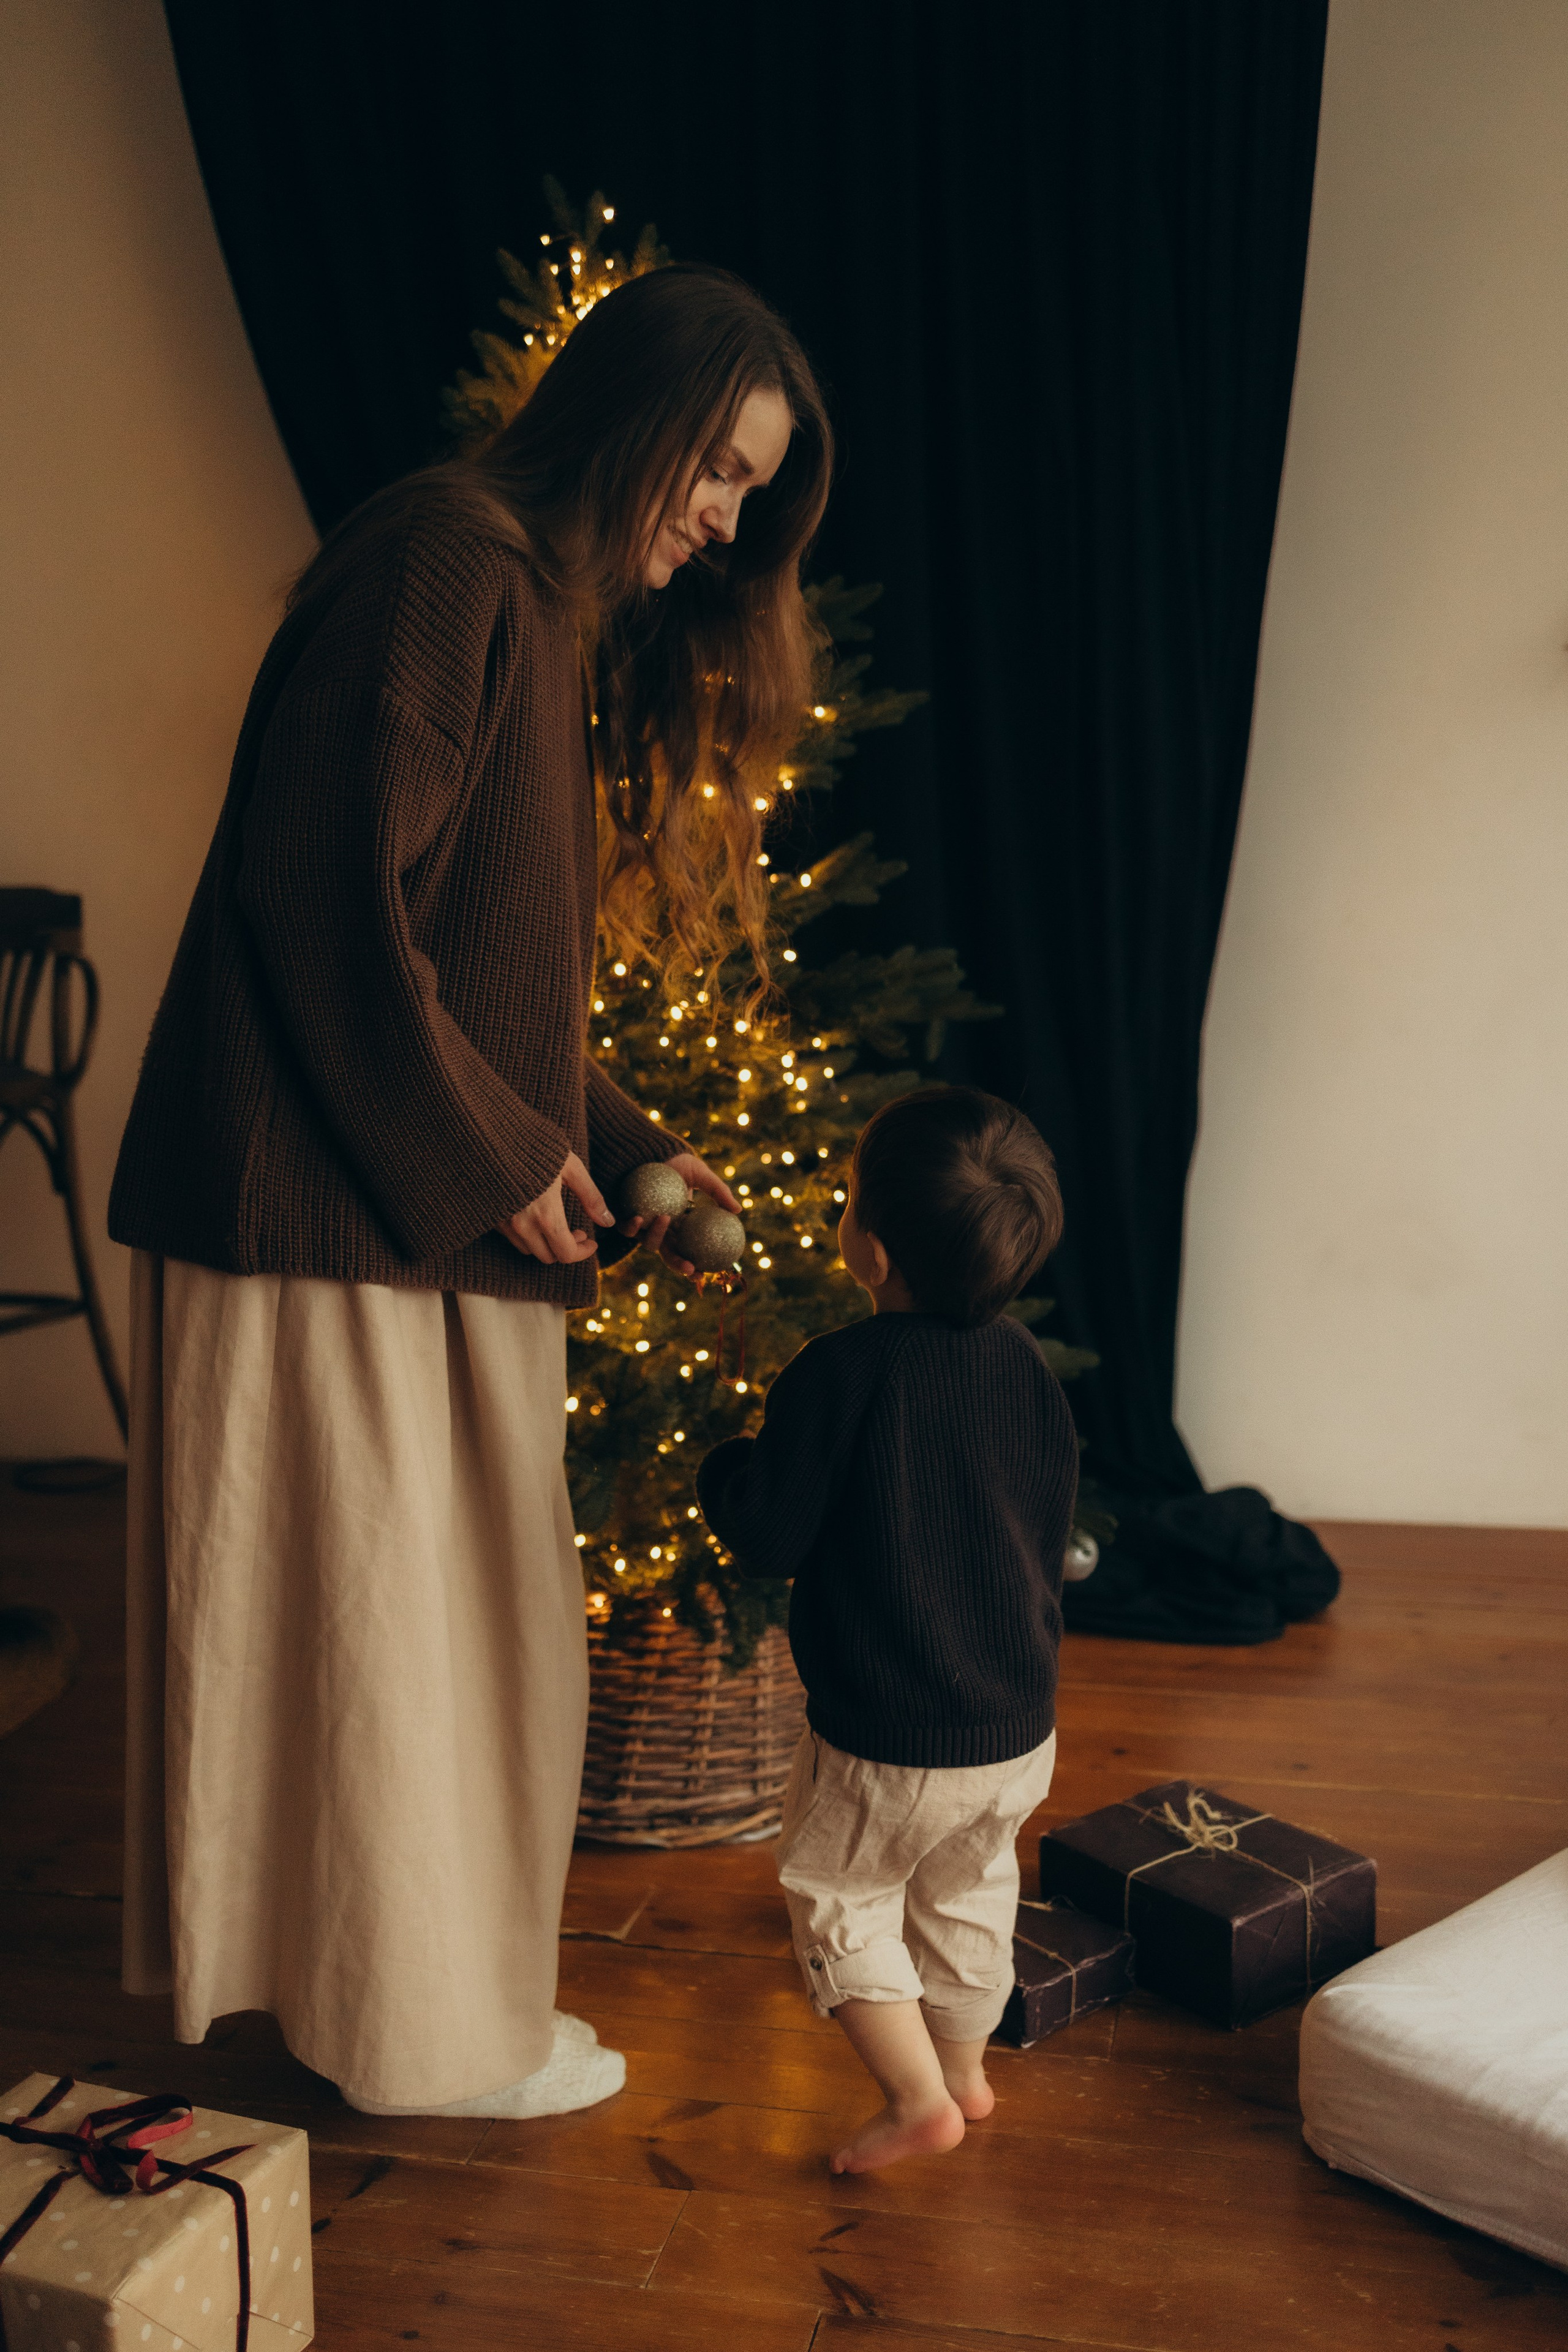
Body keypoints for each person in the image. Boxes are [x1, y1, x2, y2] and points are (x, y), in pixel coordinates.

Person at [109, 266, 832, 2119]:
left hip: (369, 1206)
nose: (727, 518)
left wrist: (623, 1141)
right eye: (722, 471)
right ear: (644, 416)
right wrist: (507, 1159)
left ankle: (404, 2017)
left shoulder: (526, 601)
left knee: (417, 1644)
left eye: (755, 492)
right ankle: (421, 2036)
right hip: (317, 1220)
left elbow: (469, 970)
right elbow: (318, 892)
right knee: (389, 1651)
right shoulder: (445, 555)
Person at [696, 1086, 1077, 2172]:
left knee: (841, 1897)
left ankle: (918, 2101)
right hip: (1016, 1725)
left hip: (887, 1735)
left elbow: (769, 1534)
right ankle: (964, 2072)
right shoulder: (1026, 1371)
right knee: (969, 1891)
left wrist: (725, 1468)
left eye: (850, 1193)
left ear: (869, 1247)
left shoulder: (842, 1375)